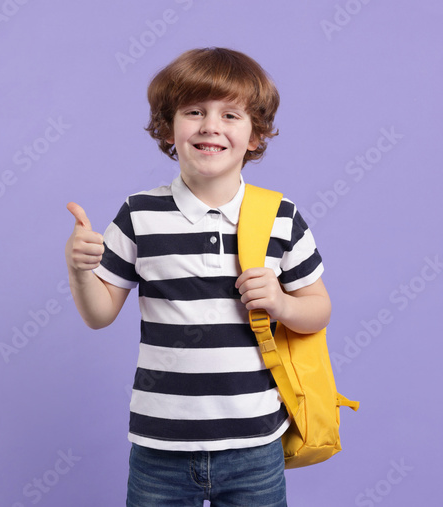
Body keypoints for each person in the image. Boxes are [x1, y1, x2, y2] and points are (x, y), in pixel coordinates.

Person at [64, 47, 330, 506]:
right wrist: (80, 269)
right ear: (168, 127)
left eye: (230, 114)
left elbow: (318, 311)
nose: (211, 125)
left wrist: (284, 305)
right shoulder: (139, 214)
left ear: (255, 134)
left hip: (255, 444)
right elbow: (99, 314)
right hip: (159, 447)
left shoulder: (281, 217)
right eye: (194, 111)